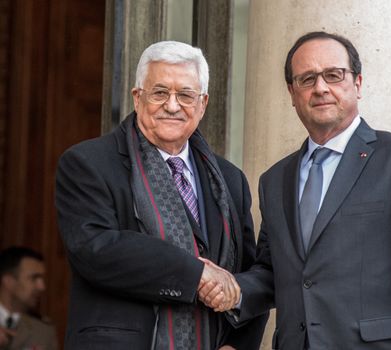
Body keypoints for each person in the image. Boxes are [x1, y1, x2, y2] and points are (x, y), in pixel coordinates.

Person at [200, 31, 391, 349]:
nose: (321, 88)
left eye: (333, 75)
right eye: (307, 78)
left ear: (358, 83)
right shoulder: (275, 179)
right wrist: (235, 289)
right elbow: (273, 271)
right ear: (292, 93)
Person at [55, 41, 267, 350]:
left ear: (203, 103)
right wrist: (196, 273)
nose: (172, 105)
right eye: (159, 93)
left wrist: (236, 345)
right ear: (137, 98)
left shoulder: (230, 179)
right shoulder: (88, 163)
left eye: (185, 95)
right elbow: (96, 249)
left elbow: (250, 276)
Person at [0, 246, 58, 350]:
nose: (42, 287)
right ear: (9, 281)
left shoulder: (43, 331)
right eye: (34, 278)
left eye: (41, 279)